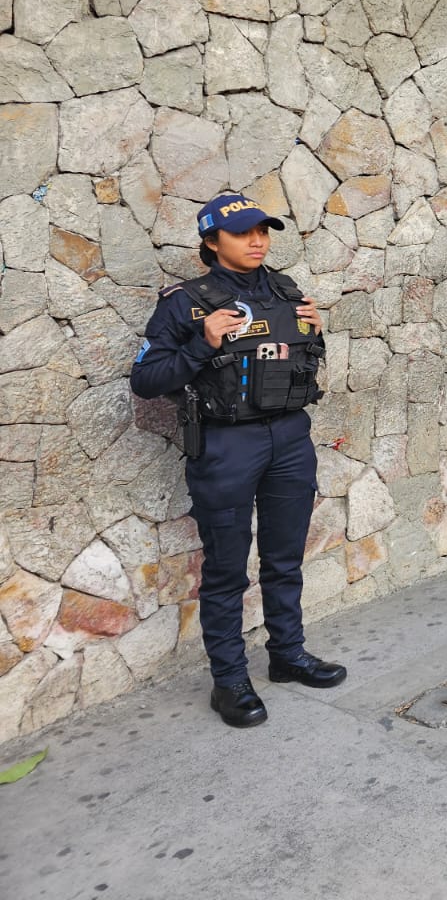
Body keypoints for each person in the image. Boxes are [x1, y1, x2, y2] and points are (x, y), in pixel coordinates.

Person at [129, 194, 343, 728]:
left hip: (290, 437)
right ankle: (229, 682)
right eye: (244, 233)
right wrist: (202, 344)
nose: (257, 241)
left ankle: (288, 655)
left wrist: (316, 331)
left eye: (263, 231)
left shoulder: (286, 290)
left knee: (285, 558)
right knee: (226, 569)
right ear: (211, 241)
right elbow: (146, 380)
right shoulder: (184, 303)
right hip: (227, 445)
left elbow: (299, 360)